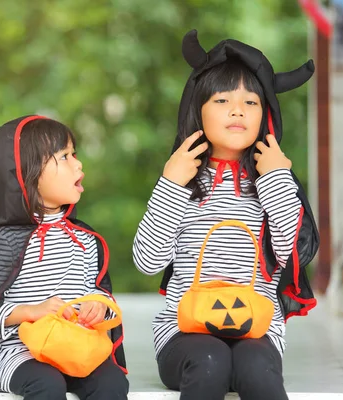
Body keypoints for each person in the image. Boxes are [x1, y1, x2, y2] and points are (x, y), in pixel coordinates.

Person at [132, 30, 320, 400]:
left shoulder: (273, 180)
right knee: (210, 358)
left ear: (265, 114)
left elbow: (289, 254)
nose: (238, 110)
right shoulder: (181, 179)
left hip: (257, 329)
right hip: (184, 333)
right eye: (222, 99)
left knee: (255, 369)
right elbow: (147, 261)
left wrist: (279, 180)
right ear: (196, 109)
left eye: (251, 102)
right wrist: (170, 184)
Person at [0, 116, 128, 400]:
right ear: (25, 174)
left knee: (112, 384)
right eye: (64, 156)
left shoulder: (86, 240)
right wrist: (31, 311)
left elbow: (99, 292)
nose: (78, 164)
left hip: (75, 345)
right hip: (18, 353)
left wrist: (99, 306)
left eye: (74, 154)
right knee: (46, 386)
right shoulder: (4, 244)